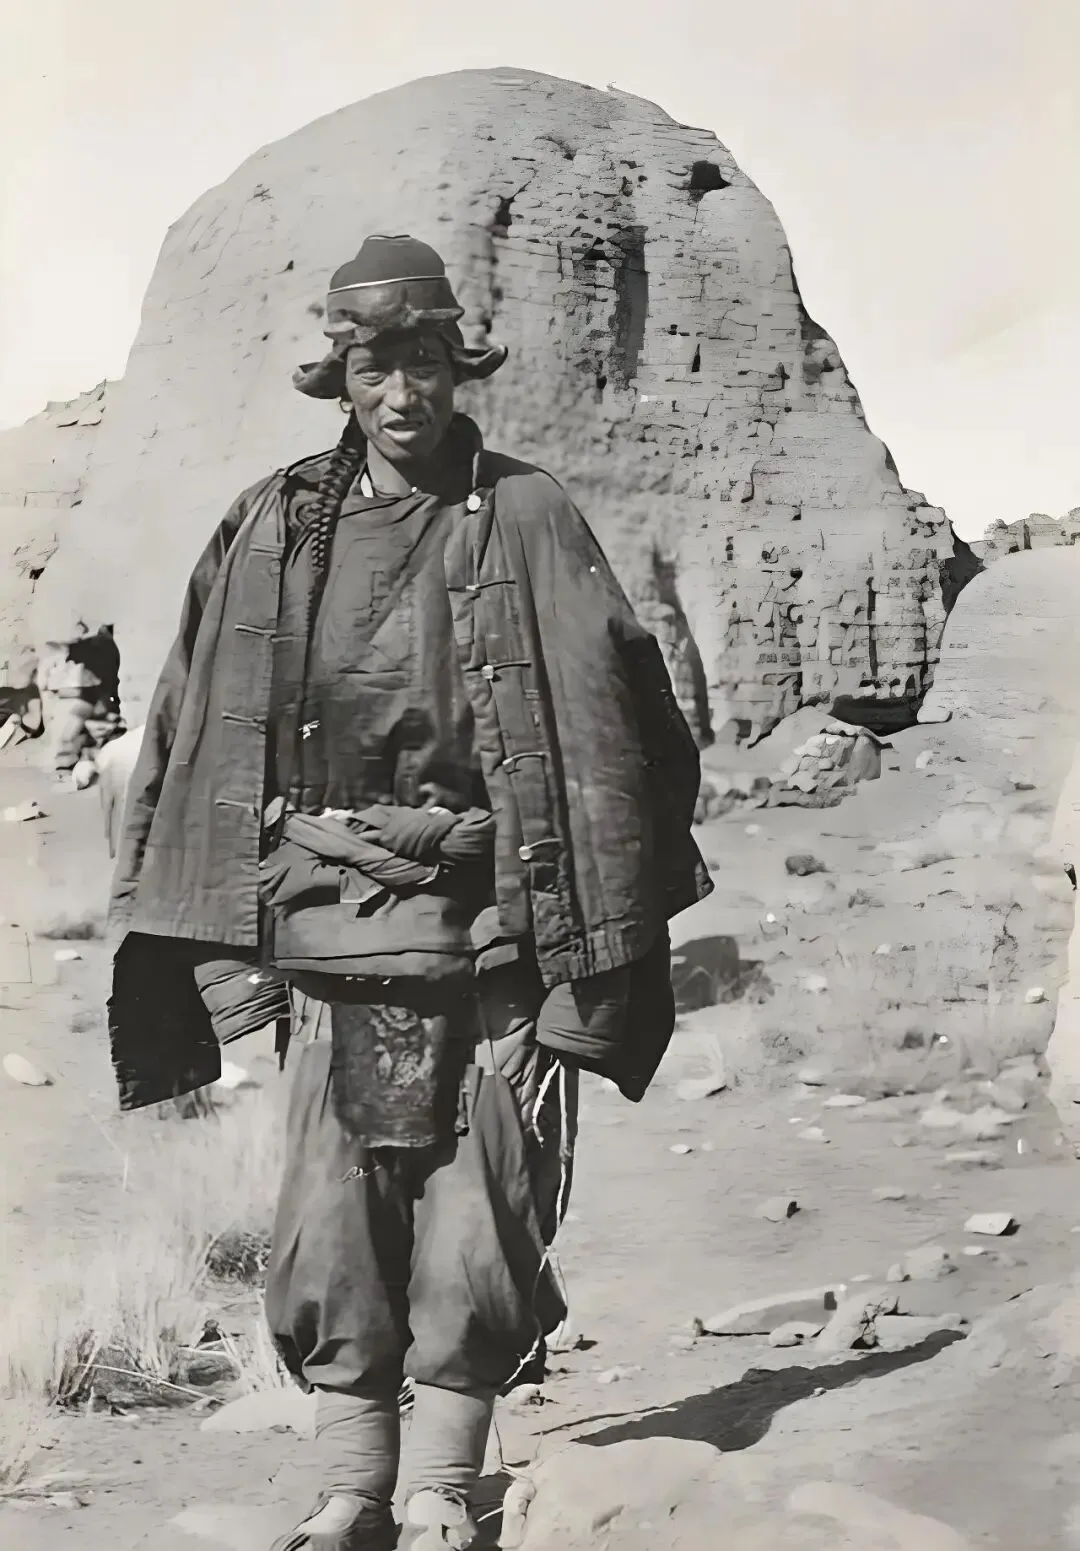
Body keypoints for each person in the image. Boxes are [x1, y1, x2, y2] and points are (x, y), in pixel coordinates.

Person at [106, 234, 712, 1551]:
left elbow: (627, 725)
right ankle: (350, 1490)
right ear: (341, 375)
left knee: (478, 1221)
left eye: (424, 360)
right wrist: (217, 932)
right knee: (334, 1224)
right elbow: (193, 718)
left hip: (492, 933)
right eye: (375, 365)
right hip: (327, 948)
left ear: (457, 365)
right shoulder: (274, 527)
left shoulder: (530, 514)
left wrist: (589, 934)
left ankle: (439, 1489)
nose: (401, 392)